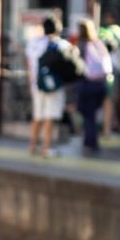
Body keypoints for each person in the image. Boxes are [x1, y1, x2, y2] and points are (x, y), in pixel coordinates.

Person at [25, 16, 73, 157]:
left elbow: (29, 65)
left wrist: (31, 83)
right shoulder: (62, 44)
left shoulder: (33, 43)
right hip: (54, 86)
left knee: (37, 115)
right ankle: (46, 148)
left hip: (36, 85)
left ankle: (32, 145)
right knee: (49, 116)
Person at [75, 19, 113, 153]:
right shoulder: (98, 44)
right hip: (100, 83)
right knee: (91, 113)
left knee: (88, 113)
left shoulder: (81, 45)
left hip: (87, 83)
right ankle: (89, 140)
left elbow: (76, 65)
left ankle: (91, 141)